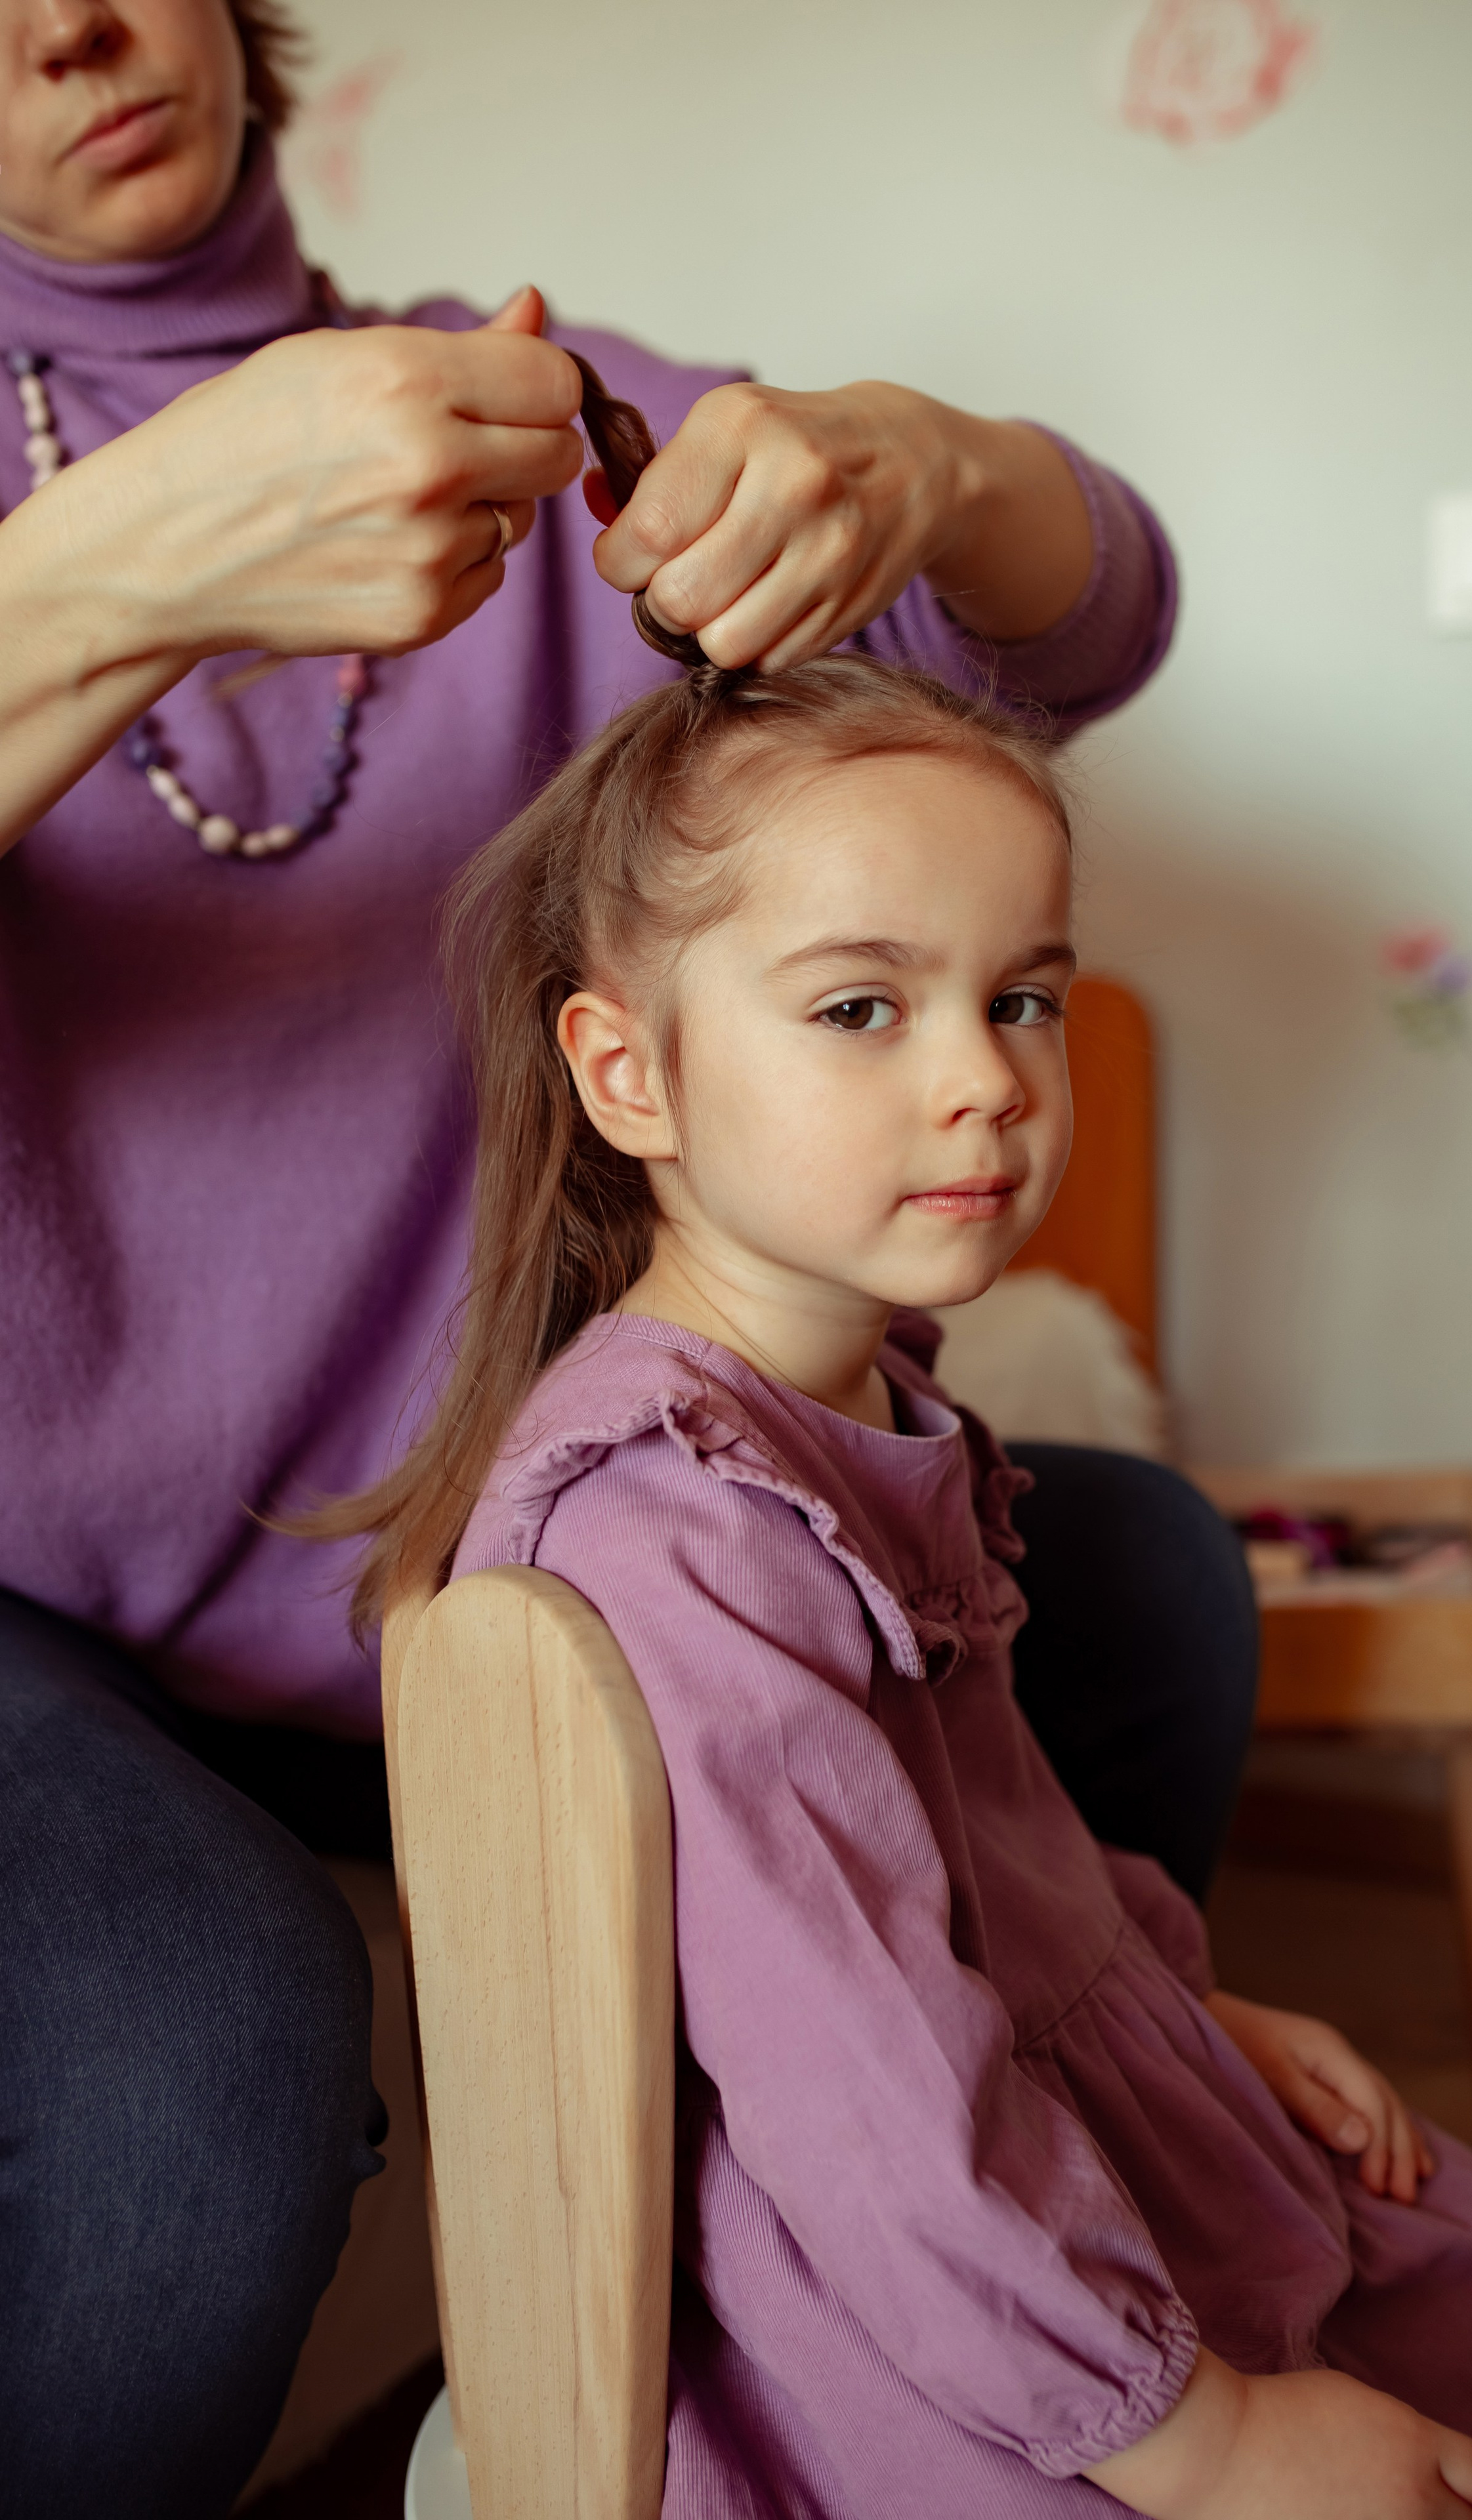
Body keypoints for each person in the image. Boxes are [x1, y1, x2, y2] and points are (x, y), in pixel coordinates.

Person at [0, 4, 1262, 2513]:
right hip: (41, 1612)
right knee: (186, 2072)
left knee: (1125, 1576)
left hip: (539, 1548)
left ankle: (985, 2357)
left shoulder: (548, 424)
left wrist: (933, 463)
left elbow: (1095, 604)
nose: (68, 25)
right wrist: (114, 573)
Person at [336, 634, 1472, 2520]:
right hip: (890, 2273)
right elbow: (866, 2106)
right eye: (863, 1010)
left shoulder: (855, 1401)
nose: (988, 1083)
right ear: (629, 1074)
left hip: (1012, 2103)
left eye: (1024, 998)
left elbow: (987, 1829)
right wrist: (1210, 2440)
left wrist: (1197, 2014)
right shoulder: (678, 1527)